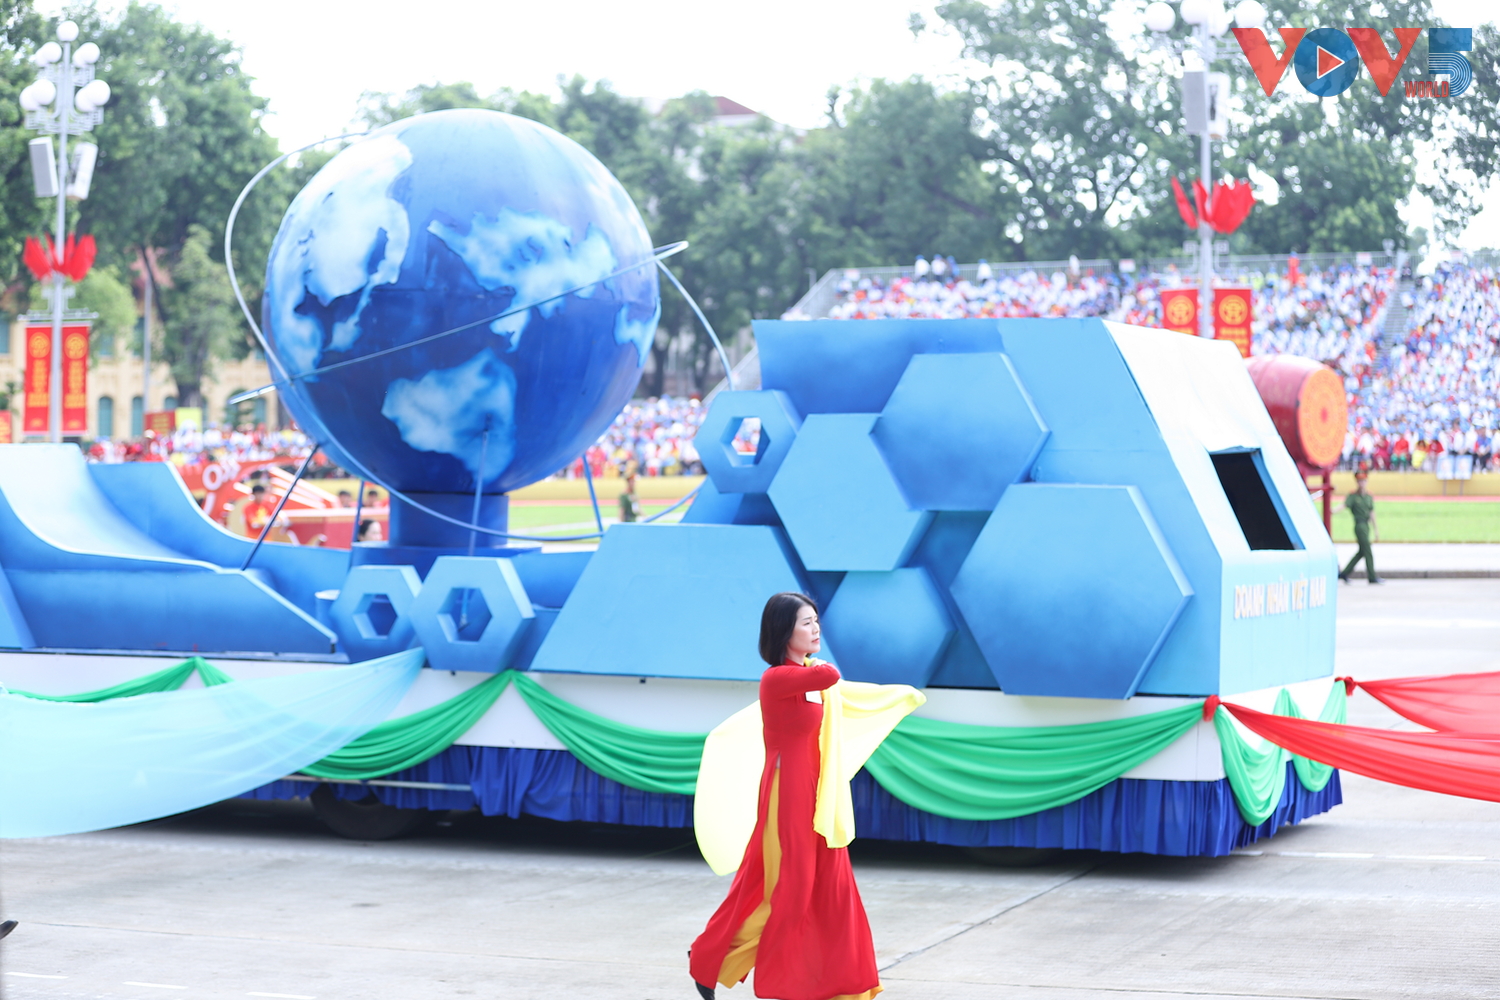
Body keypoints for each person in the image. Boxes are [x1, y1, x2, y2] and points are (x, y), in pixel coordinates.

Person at [689, 593, 882, 1000]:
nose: (816, 629)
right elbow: (830, 676)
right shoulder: (778, 678)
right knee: (789, 889)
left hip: (816, 795)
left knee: (829, 887)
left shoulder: (808, 675)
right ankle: (715, 958)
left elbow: (837, 692)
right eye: (807, 622)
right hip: (786, 794)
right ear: (783, 631)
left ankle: (837, 984)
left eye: (816, 621)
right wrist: (819, 668)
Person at [1339, 473, 1382, 584]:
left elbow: (1372, 512)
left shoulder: (1368, 495)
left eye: (1363, 481)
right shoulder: (1353, 495)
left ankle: (1344, 573)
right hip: (1359, 525)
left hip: (1366, 525)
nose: (1362, 483)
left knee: (1362, 551)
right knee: (1367, 551)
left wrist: (1376, 529)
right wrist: (1333, 511)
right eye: (1359, 481)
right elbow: (1345, 505)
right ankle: (1372, 576)